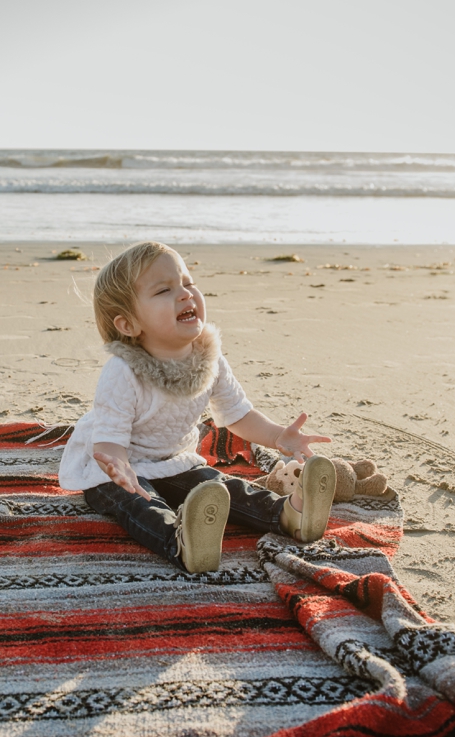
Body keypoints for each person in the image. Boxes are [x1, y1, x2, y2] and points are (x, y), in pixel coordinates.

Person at [58, 241, 337, 573]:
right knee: (139, 502)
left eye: (188, 283)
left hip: (172, 459)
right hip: (115, 469)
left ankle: (288, 515)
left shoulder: (209, 358)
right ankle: (181, 542)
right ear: (129, 325)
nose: (185, 294)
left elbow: (239, 415)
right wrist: (117, 466)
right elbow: (107, 440)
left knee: (216, 485)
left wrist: (280, 437)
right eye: (164, 290)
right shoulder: (123, 371)